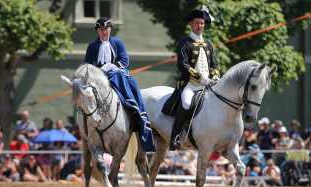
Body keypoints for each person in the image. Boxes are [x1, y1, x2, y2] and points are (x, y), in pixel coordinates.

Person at [84, 17, 155, 152]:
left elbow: (124, 60)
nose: (104, 32)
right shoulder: (92, 46)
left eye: (106, 29)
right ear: (97, 31)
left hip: (115, 72)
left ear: (110, 30)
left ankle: (132, 107)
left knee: (122, 77)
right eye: (101, 29)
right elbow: (87, 63)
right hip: (98, 76)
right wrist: (95, 71)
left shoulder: (118, 43)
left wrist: (111, 66)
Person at [162, 6, 220, 150]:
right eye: (196, 23)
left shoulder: (209, 44)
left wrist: (216, 76)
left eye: (201, 23)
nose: (199, 26)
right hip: (190, 84)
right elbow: (183, 65)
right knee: (186, 103)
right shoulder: (184, 42)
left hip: (209, 84)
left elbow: (214, 64)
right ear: (191, 24)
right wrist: (201, 78)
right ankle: (175, 137)